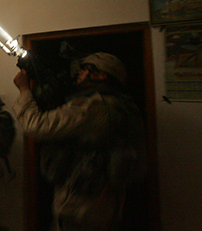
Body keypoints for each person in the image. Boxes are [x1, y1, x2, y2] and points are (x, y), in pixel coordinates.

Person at [13, 52, 145, 231]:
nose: (79, 73)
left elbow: (36, 126)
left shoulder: (95, 106)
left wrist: (24, 90)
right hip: (104, 198)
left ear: (101, 74)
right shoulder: (120, 105)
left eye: (85, 69)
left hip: (81, 204)